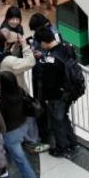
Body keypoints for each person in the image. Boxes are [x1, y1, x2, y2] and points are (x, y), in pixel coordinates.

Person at [0, 72, 45, 178]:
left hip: (11, 134)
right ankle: (3, 173)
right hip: (22, 126)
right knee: (7, 151)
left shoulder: (3, 102)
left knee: (22, 163)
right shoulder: (19, 92)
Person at [34, 25, 81, 157]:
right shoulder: (66, 47)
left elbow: (49, 82)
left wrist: (45, 96)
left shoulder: (51, 60)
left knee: (57, 121)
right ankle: (73, 142)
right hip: (70, 91)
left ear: (44, 42)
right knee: (63, 117)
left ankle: (62, 147)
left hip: (57, 95)